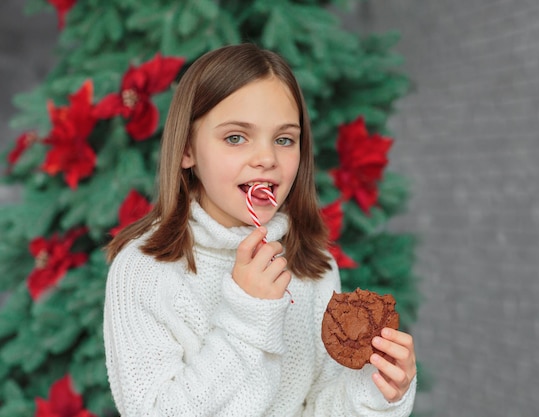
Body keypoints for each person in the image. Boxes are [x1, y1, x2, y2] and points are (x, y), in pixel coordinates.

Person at [103, 43, 417, 416]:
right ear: (187, 149)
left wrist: (378, 391)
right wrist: (246, 315)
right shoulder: (144, 271)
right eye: (236, 137)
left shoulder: (311, 266)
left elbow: (319, 405)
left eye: (284, 139)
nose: (267, 158)